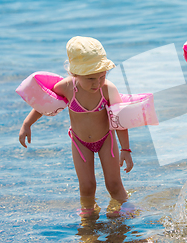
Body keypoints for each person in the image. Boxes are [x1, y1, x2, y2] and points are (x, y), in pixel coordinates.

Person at [18, 36, 134, 218]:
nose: (97, 83)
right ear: (75, 75)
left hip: (105, 140)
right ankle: (88, 217)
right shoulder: (66, 87)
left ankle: (127, 209)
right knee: (87, 186)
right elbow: (44, 105)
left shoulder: (107, 89)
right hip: (80, 143)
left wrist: (126, 149)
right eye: (90, 78)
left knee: (114, 184)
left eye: (102, 76)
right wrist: (27, 123)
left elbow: (120, 121)